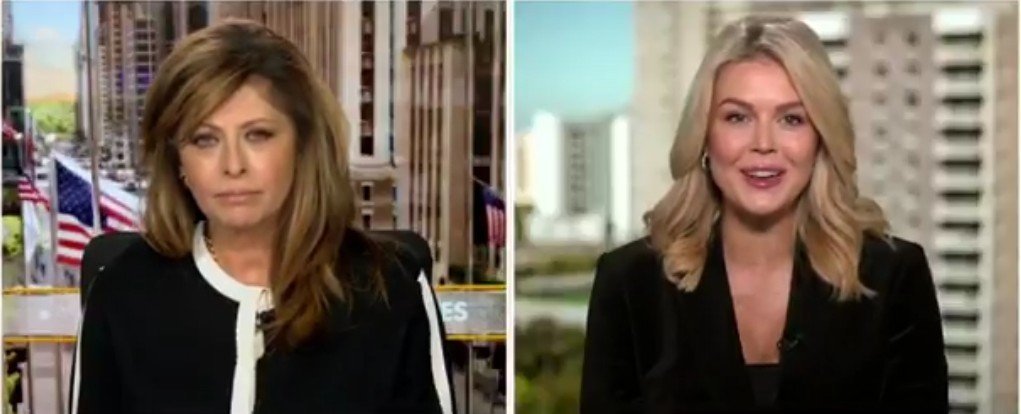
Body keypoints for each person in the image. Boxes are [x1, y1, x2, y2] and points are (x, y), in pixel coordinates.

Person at [71, 20, 454, 414]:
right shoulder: (120, 295)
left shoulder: (390, 289)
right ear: (178, 161)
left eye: (257, 135)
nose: (233, 165)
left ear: (302, 146)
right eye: (205, 140)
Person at [581, 16, 948, 413]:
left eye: (791, 119)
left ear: (820, 139)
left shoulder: (893, 276)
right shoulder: (630, 284)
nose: (763, 144)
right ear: (704, 136)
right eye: (737, 117)